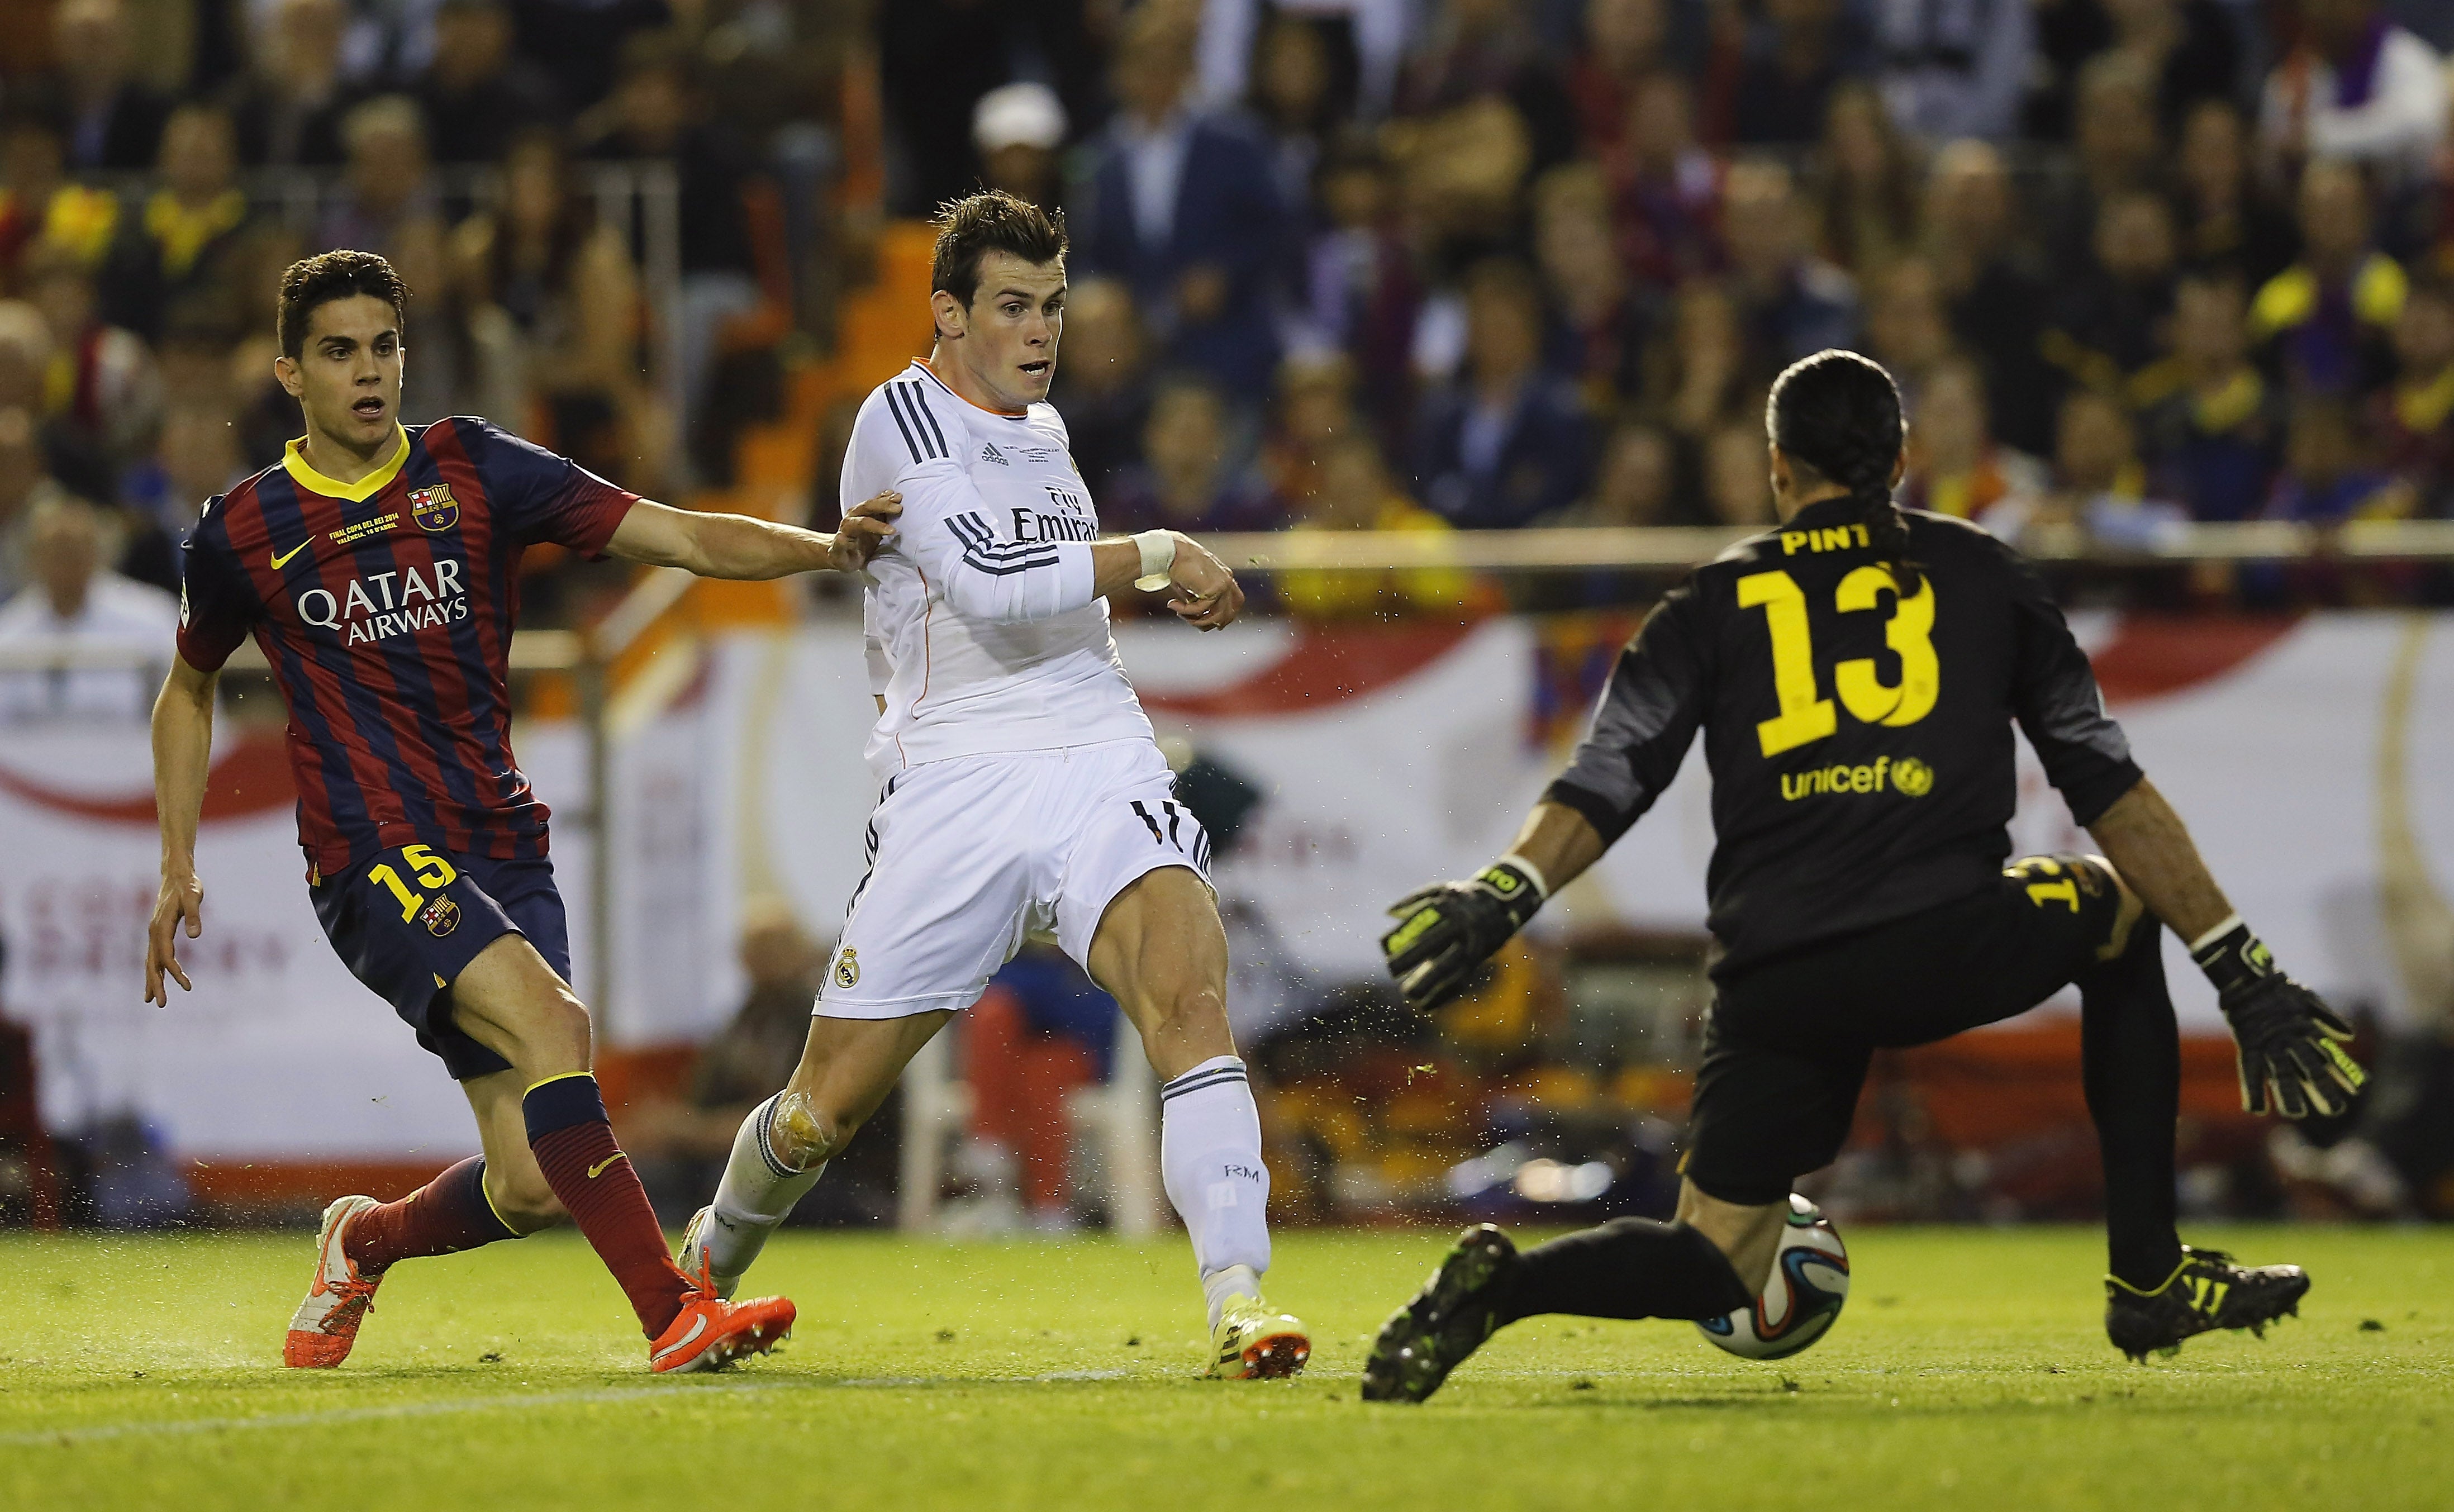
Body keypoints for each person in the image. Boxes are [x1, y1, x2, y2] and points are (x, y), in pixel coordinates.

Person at [1360, 349, 2363, 1404]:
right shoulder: (1982, 573)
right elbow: (2109, 788)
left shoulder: (1707, 600)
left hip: (1780, 973)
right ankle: (2149, 1277)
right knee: (2115, 912)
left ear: (1776, 467)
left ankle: (1504, 1288)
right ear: (1901, 459)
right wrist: (2239, 969)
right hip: (1946, 936)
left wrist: (1505, 889)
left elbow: (1609, 778)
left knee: (1715, 1257)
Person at [142, 249, 902, 1373]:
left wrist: (825, 550)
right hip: (371, 850)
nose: (369, 371)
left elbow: (677, 534)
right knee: (556, 1026)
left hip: (500, 841)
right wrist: (176, 864)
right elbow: (188, 686)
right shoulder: (243, 529)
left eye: (384, 347)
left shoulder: (473, 466)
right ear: (290, 373)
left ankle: (363, 1243)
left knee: (532, 1181)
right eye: (340, 352)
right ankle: (674, 1315)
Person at [677, 191, 1312, 1381]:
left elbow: (1055, 601)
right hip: (955, 782)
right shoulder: (899, 416)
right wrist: (1162, 552)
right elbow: (993, 584)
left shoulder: (1045, 430)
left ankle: (1240, 1300)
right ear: (948, 313)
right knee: (821, 1111)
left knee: (1189, 1002)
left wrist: (1132, 586)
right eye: (1013, 306)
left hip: (1097, 754)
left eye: (1053, 306)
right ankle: (706, 1267)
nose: (1040, 331)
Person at [0, 492, 175, 722]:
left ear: (98, 551)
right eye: (56, 550)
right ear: (33, 556)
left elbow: (188, 708)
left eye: (76, 549)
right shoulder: (8, 632)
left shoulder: (153, 619)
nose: (67, 561)